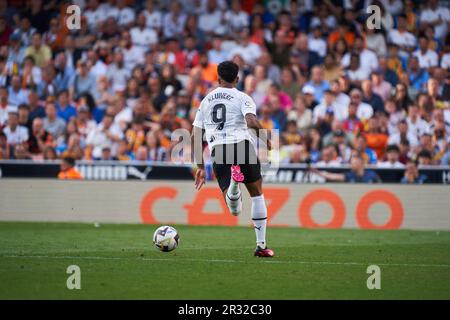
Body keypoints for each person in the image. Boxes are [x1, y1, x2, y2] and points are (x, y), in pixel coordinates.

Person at [191, 61, 274, 258]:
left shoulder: (206, 101)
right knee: (257, 194)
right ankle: (261, 246)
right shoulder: (243, 97)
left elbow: (195, 135)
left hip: (220, 150)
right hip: (243, 147)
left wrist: (200, 167)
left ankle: (235, 185)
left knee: (234, 209)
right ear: (237, 79)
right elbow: (251, 121)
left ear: (218, 78)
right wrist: (266, 139)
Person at [314, 154, 381, 183]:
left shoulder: (372, 175)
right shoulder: (350, 175)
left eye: (353, 163)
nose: (351, 165)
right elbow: (333, 177)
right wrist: (317, 172)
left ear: (360, 163)